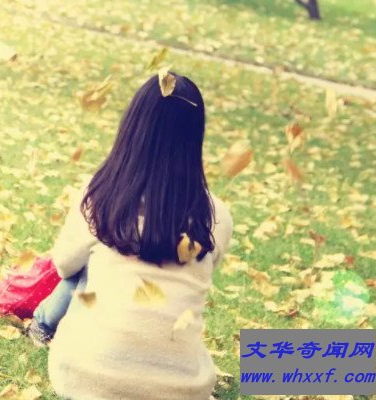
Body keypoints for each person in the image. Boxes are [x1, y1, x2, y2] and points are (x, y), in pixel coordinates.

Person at [28, 72, 233, 400]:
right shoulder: (215, 215)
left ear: (133, 128)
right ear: (195, 137)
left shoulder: (100, 195)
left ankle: (42, 324)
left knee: (87, 266)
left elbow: (64, 266)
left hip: (84, 378)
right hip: (184, 391)